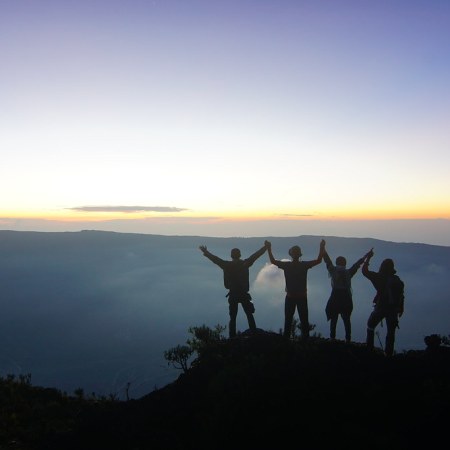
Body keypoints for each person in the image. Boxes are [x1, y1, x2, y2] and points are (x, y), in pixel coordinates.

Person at [199, 242, 268, 338]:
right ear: (240, 255)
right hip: (243, 294)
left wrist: (206, 252)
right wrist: (265, 247)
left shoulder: (226, 265)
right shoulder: (245, 264)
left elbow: (215, 259)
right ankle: (254, 334)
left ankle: (232, 338)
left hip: (233, 294)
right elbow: (255, 255)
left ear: (231, 256)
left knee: (233, 318)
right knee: (249, 315)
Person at [265, 239, 325, 340]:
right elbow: (319, 260)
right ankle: (305, 341)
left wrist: (269, 248)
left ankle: (286, 341)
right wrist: (322, 247)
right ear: (299, 255)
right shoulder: (304, 265)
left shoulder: (287, 265)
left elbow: (273, 261)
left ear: (291, 255)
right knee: (304, 320)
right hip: (302, 297)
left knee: (288, 320)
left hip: (290, 297)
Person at [322, 242, 373, 343]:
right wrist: (367, 256)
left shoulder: (333, 271)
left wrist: (323, 248)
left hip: (335, 297)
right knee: (346, 320)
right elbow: (357, 264)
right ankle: (348, 339)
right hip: (346, 298)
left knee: (334, 318)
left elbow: (327, 260)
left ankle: (332, 338)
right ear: (345, 263)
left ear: (337, 262)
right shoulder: (349, 273)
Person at [362, 249, 405, 357]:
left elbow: (365, 271)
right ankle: (388, 354)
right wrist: (401, 308)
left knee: (370, 325)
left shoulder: (379, 277)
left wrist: (368, 258)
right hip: (393, 309)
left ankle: (369, 349)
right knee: (391, 332)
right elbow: (401, 295)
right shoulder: (398, 280)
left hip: (381, 307)